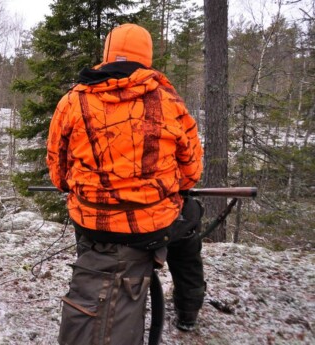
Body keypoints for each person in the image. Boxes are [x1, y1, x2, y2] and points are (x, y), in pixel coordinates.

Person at [46, 23, 206, 345]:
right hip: (153, 224)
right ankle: (188, 312)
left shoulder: (72, 102)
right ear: (146, 58)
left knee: (90, 233)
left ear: (106, 56)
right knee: (188, 227)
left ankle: (95, 280)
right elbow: (191, 172)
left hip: (92, 222)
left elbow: (58, 173)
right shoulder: (168, 101)